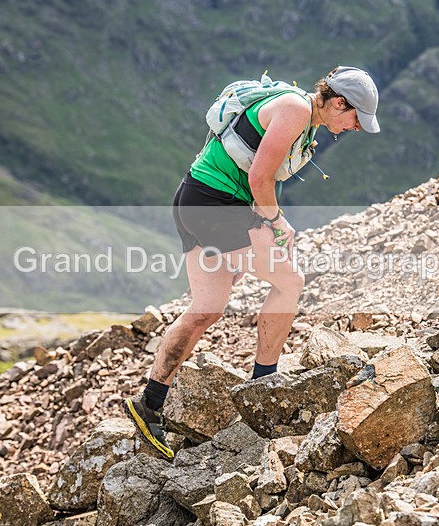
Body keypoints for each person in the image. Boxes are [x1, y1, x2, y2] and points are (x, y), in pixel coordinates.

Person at [125, 66, 380, 458]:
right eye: (355, 119)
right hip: (216, 205)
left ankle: (150, 403)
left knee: (206, 308)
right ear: (339, 102)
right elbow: (261, 178)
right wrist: (278, 222)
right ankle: (264, 388)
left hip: (195, 199)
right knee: (290, 282)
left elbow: (256, 175)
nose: (355, 128)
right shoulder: (295, 110)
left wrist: (264, 223)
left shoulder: (305, 118)